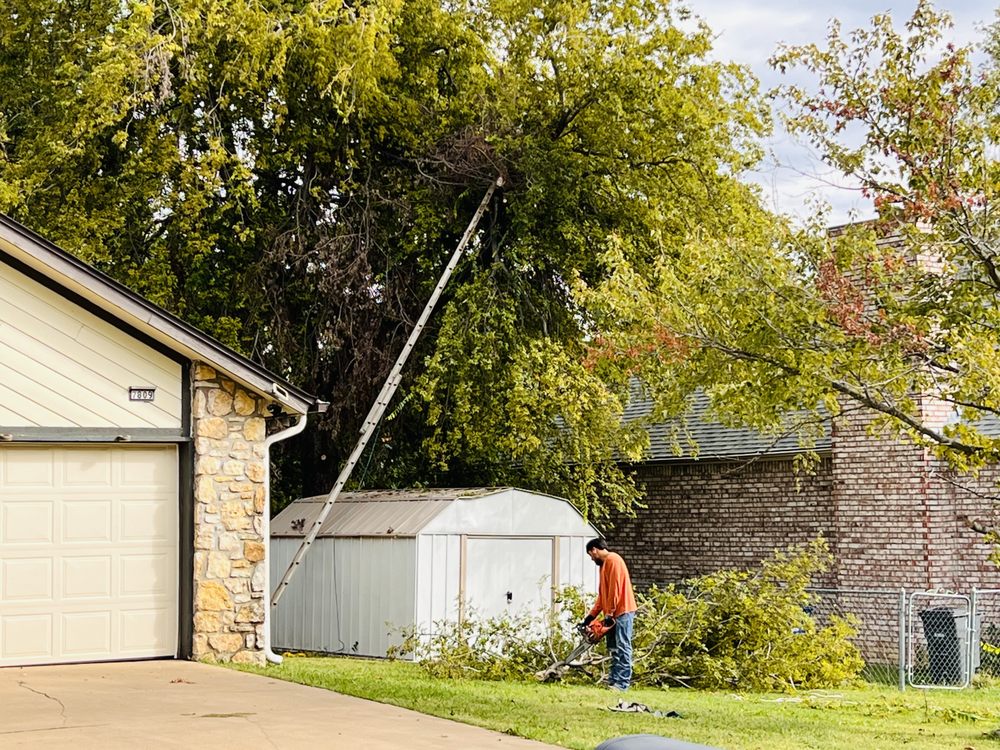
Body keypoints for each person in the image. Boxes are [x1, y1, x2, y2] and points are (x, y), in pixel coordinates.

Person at [582, 538, 637, 691]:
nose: (591, 558)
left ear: (594, 550)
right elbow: (603, 595)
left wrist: (610, 613)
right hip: (612, 613)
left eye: (590, 555)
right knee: (613, 648)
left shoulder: (613, 560)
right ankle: (613, 681)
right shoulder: (603, 565)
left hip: (623, 611)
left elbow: (615, 589)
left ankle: (622, 684)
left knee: (623, 646)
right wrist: (590, 617)